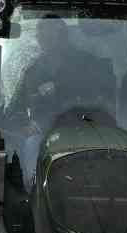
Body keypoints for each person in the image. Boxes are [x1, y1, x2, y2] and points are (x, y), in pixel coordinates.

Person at [6, 15, 115, 187]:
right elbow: (14, 110)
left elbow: (98, 92)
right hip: (44, 136)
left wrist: (59, 86)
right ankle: (33, 193)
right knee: (31, 145)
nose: (45, 39)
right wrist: (24, 125)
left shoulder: (87, 64)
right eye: (41, 34)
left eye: (51, 34)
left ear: (63, 36)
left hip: (85, 130)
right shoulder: (32, 72)